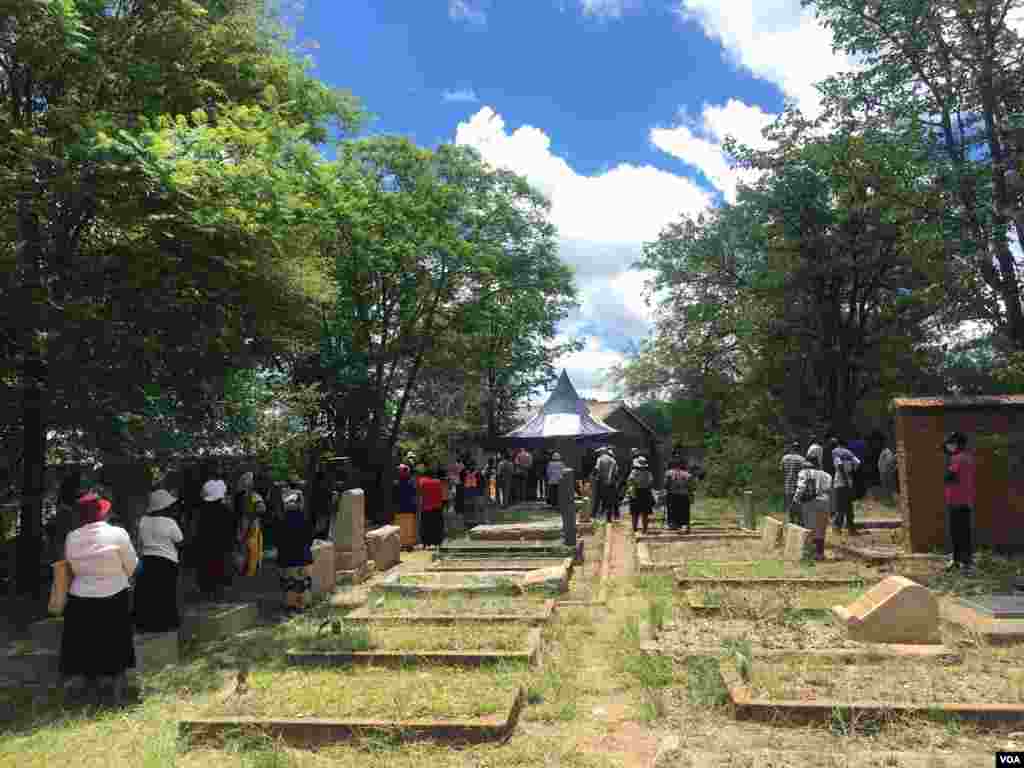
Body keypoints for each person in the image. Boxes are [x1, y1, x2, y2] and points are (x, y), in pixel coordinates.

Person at [61, 493, 138, 704]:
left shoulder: (72, 537)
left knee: (87, 647)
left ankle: (90, 696)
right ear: (103, 513)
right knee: (117, 646)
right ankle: (117, 696)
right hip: (114, 596)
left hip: (80, 598)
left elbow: (71, 567)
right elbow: (131, 566)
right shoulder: (118, 534)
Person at [134, 489, 184, 633]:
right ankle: (166, 623)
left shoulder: (142, 521)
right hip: (167, 561)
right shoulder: (170, 522)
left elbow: (139, 541)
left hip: (147, 560)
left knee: (148, 594)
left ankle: (145, 623)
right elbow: (180, 541)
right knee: (166, 594)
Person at [195, 478, 235, 600]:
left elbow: (196, 530)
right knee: (221, 573)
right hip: (222, 549)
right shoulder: (226, 511)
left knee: (206, 572)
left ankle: (207, 592)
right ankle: (219, 595)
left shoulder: (201, 511)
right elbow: (231, 531)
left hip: (205, 548)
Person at [276, 485, 314, 613]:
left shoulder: (281, 519)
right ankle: (302, 605)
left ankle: (290, 606)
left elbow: (277, 540)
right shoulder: (305, 518)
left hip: (286, 558)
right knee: (303, 584)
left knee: (289, 584)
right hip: (303, 557)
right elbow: (310, 538)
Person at [944, 432, 976, 574]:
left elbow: (950, 476)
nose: (948, 446)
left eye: (951, 443)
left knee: (956, 533)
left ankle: (958, 561)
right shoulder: (968, 458)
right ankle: (966, 561)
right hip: (965, 501)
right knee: (965, 533)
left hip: (956, 502)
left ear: (957, 444)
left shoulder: (957, 459)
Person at [793, 457, 832, 561]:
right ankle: (820, 554)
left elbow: (801, 488)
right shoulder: (827, 475)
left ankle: (809, 553)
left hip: (810, 502)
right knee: (821, 528)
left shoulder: (804, 473)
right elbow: (829, 490)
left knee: (809, 527)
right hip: (824, 501)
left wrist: (795, 500)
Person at [234, 472, 266, 577]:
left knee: (249, 546)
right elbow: (261, 509)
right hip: (247, 522)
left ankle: (250, 570)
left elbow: (261, 508)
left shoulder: (252, 496)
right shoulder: (246, 496)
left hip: (250, 523)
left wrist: (252, 516)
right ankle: (247, 569)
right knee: (247, 546)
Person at [830, 438, 861, 533]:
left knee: (839, 506)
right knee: (848, 506)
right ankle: (851, 528)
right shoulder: (849, 452)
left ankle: (837, 528)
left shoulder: (835, 451)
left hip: (840, 482)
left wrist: (844, 478)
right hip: (849, 483)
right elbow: (858, 463)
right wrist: (851, 473)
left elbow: (839, 465)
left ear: (838, 444)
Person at [418, 468, 446, 548]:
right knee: (437, 525)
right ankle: (437, 542)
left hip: (426, 507)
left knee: (426, 526)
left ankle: (426, 543)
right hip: (437, 507)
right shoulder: (438, 482)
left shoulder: (422, 481)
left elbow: (420, 493)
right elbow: (442, 495)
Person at [627, 456, 655, 534]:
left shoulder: (634, 472)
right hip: (645, 492)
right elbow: (651, 482)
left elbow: (630, 481)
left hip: (636, 492)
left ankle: (635, 528)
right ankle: (644, 529)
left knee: (635, 512)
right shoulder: (648, 473)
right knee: (645, 512)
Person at [663, 459, 693, 532]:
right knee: (684, 511)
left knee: (672, 510)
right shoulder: (688, 474)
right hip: (684, 495)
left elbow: (666, 484)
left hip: (672, 494)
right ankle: (684, 525)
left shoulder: (669, 473)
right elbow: (691, 486)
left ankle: (673, 524)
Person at [780, 442, 806, 525]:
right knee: (798, 504)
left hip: (788, 484)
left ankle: (791, 522)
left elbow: (781, 470)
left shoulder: (785, 458)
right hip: (798, 485)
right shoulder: (802, 459)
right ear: (799, 449)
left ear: (792, 448)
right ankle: (799, 522)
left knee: (789, 504)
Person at [592, 447, 619, 522]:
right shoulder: (613, 460)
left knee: (598, 499)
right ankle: (609, 518)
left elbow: (597, 469)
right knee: (610, 500)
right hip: (611, 483)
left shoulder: (600, 459)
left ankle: (594, 515)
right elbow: (616, 473)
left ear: (602, 452)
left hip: (601, 482)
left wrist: (593, 477)